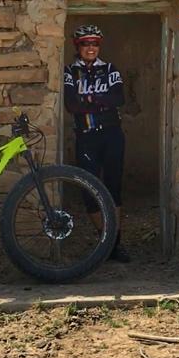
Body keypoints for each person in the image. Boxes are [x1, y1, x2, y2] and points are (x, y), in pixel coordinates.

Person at [63, 24, 131, 262]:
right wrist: (101, 102)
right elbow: (71, 105)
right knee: (89, 190)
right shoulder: (69, 72)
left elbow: (119, 98)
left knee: (114, 188)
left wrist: (89, 99)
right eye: (85, 43)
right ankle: (105, 239)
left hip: (112, 134)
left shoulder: (111, 69)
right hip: (86, 136)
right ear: (77, 46)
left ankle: (115, 243)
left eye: (94, 43)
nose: (90, 48)